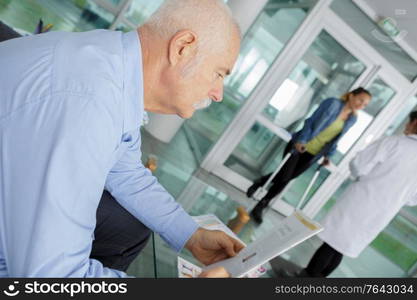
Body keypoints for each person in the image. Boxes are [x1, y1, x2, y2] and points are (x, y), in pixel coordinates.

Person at [0, 0, 243, 277]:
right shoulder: (88, 105)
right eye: (219, 73)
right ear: (182, 48)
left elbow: (124, 168)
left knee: (128, 227)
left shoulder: (110, 63)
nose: (218, 93)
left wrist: (190, 234)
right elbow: (53, 277)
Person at [300, 111, 417, 277]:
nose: (406, 125)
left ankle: (304, 279)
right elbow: (413, 199)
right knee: (342, 247)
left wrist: (365, 177)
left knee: (332, 243)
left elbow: (359, 165)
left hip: (361, 200)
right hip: (383, 212)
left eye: (408, 121)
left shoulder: (393, 142)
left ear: (414, 123)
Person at [247, 88, 372, 224]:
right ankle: (261, 205)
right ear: (352, 95)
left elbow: (337, 139)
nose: (361, 105)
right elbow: (310, 121)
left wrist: (328, 155)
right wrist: (301, 140)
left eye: (365, 104)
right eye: (361, 100)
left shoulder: (352, 119)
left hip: (315, 154)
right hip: (300, 144)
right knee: (285, 176)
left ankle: (260, 182)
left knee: (286, 177)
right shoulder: (332, 103)